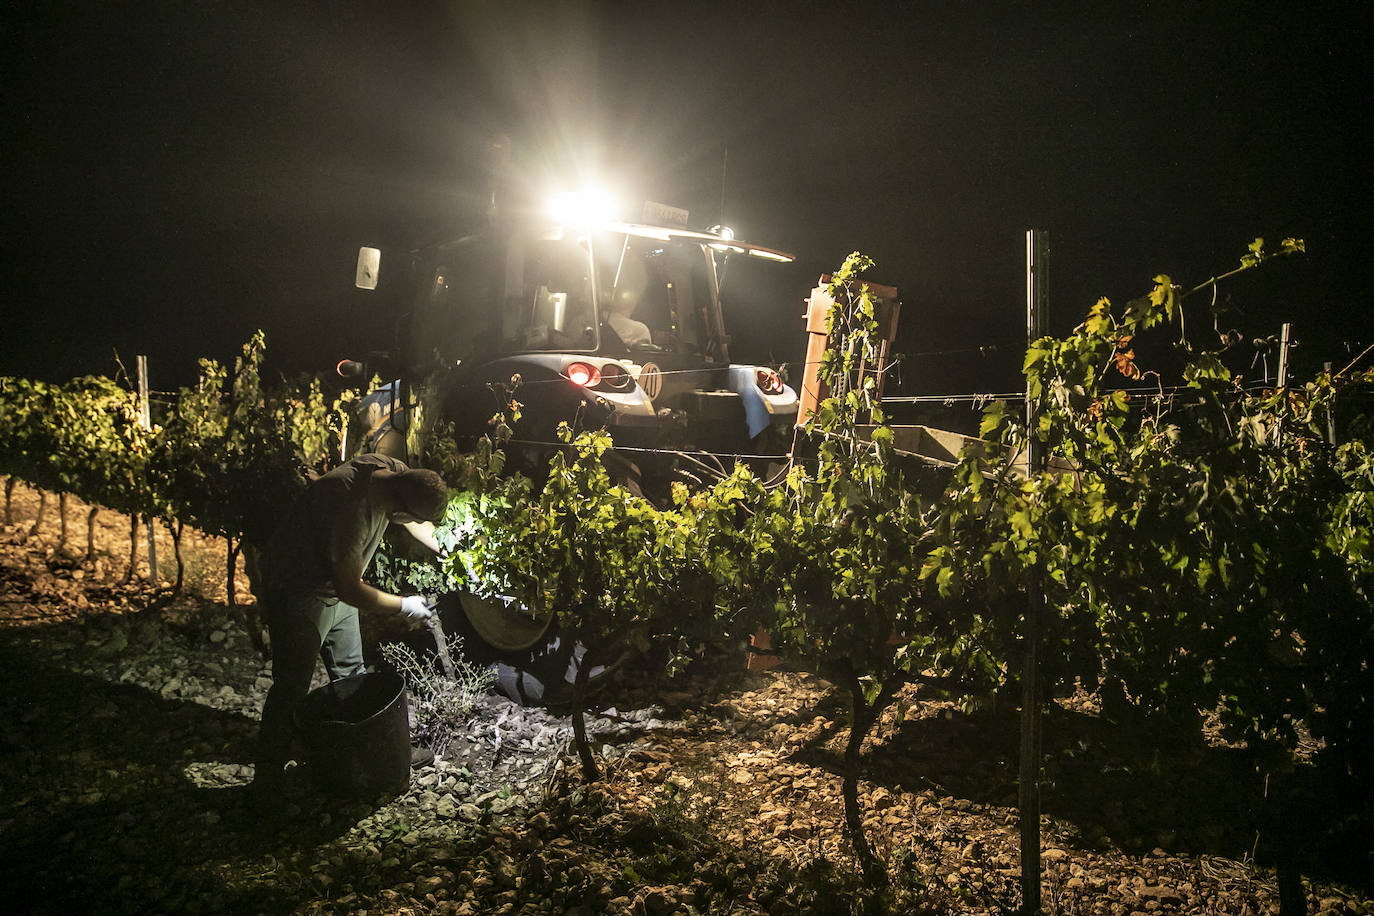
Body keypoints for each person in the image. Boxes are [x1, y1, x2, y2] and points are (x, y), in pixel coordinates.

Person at [251, 453, 448, 793]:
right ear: (399, 512)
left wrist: (447, 547)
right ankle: (267, 777)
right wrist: (404, 606)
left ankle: (371, 755)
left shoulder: (393, 471)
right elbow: (350, 588)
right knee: (291, 687)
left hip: (334, 589)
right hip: (298, 590)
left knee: (353, 674)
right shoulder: (350, 510)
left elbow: (415, 520)